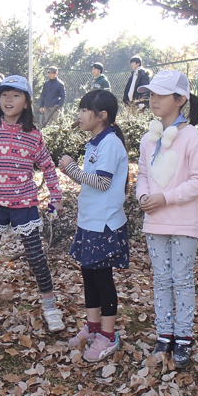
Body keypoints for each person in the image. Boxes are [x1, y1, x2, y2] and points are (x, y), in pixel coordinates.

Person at [0, 75, 65, 336]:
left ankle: (51, 308)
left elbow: (49, 168)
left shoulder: (34, 136)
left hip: (24, 204)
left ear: (28, 103)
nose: (9, 99)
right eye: (4, 94)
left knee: (36, 256)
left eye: (16, 94)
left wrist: (56, 198)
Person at [135, 70, 198, 368]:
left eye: (160, 94)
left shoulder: (192, 137)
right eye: (151, 94)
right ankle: (164, 334)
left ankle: (184, 337)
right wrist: (142, 196)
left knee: (181, 279)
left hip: (184, 224)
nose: (153, 99)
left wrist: (165, 197)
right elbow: (142, 174)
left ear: (180, 100)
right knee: (161, 280)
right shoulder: (147, 139)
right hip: (154, 223)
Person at [58, 90, 129, 362]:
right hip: (90, 221)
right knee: (89, 275)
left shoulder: (110, 143)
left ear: (102, 116)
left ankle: (109, 336)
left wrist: (71, 169)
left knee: (102, 278)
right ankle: (94, 326)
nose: (79, 114)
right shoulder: (96, 143)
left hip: (105, 224)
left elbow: (102, 182)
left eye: (85, 110)